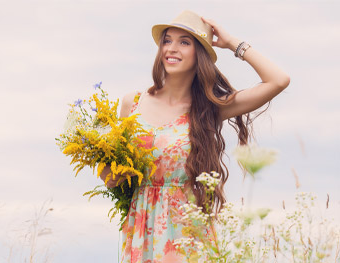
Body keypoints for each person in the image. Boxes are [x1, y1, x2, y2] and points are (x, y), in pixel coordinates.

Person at [100, 10, 290, 263]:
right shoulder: (132, 103)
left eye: (184, 42)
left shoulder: (208, 108)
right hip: (141, 226)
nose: (172, 48)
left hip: (187, 228)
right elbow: (109, 175)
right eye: (167, 40)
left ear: (199, 53)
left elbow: (278, 80)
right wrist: (111, 176)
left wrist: (233, 43)